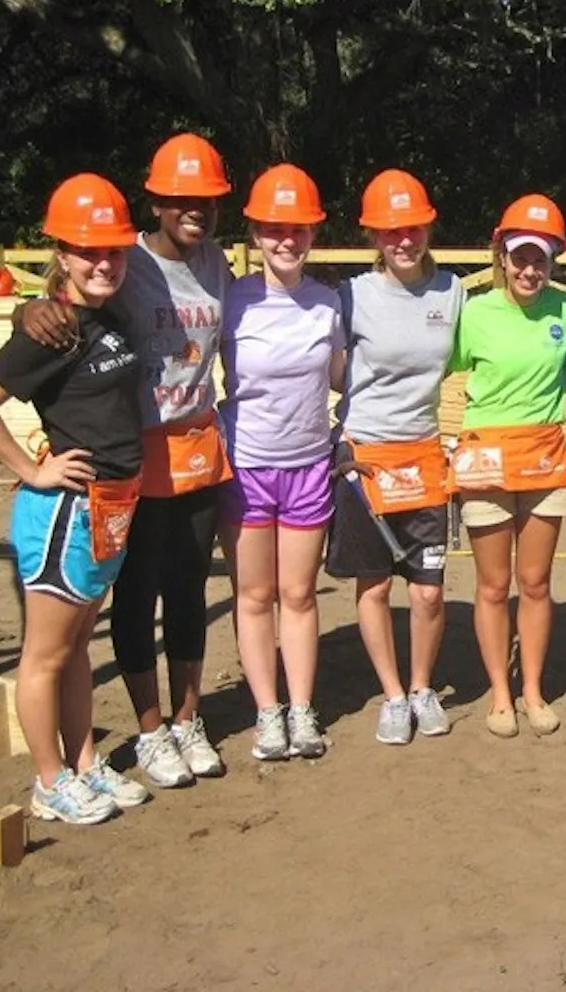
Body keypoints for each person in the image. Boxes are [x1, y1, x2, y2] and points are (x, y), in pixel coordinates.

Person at [20, 132, 235, 789]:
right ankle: (149, 729)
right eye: (179, 199)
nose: (193, 210)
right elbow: (71, 310)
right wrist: (28, 307)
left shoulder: (218, 262)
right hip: (132, 457)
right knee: (136, 596)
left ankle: (188, 718)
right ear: (157, 201)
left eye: (205, 199)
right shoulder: (128, 262)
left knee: (190, 590)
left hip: (198, 450)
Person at [0, 175, 148, 823]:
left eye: (114, 250)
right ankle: (48, 780)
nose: (103, 262)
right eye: (88, 250)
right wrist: (30, 470)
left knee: (74, 649)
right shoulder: (50, 329)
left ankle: (85, 761)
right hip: (67, 511)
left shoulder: (106, 313)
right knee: (43, 656)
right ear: (61, 253)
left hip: (111, 509)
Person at [327, 168, 464, 745]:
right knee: (376, 586)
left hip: (424, 457)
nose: (402, 240)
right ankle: (391, 696)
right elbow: (330, 372)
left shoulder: (453, 292)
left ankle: (422, 688)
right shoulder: (352, 296)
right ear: (372, 237)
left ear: (427, 225)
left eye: (411, 228)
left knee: (428, 589)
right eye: (388, 231)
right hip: (366, 461)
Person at [219, 165, 345, 761]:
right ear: (254, 233)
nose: (286, 240)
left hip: (308, 469)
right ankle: (267, 714)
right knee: (254, 596)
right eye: (274, 229)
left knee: (298, 595)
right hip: (246, 470)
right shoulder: (231, 302)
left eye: (298, 229)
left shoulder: (327, 305)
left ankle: (301, 710)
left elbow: (347, 379)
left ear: (313, 234)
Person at [449, 194, 566, 739]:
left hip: (544, 458)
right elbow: (423, 363)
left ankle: (532, 690)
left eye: (540, 259)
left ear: (553, 261)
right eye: (519, 256)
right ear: (501, 255)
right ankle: (500, 693)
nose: (529, 269)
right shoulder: (472, 313)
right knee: (494, 585)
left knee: (536, 581)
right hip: (486, 461)